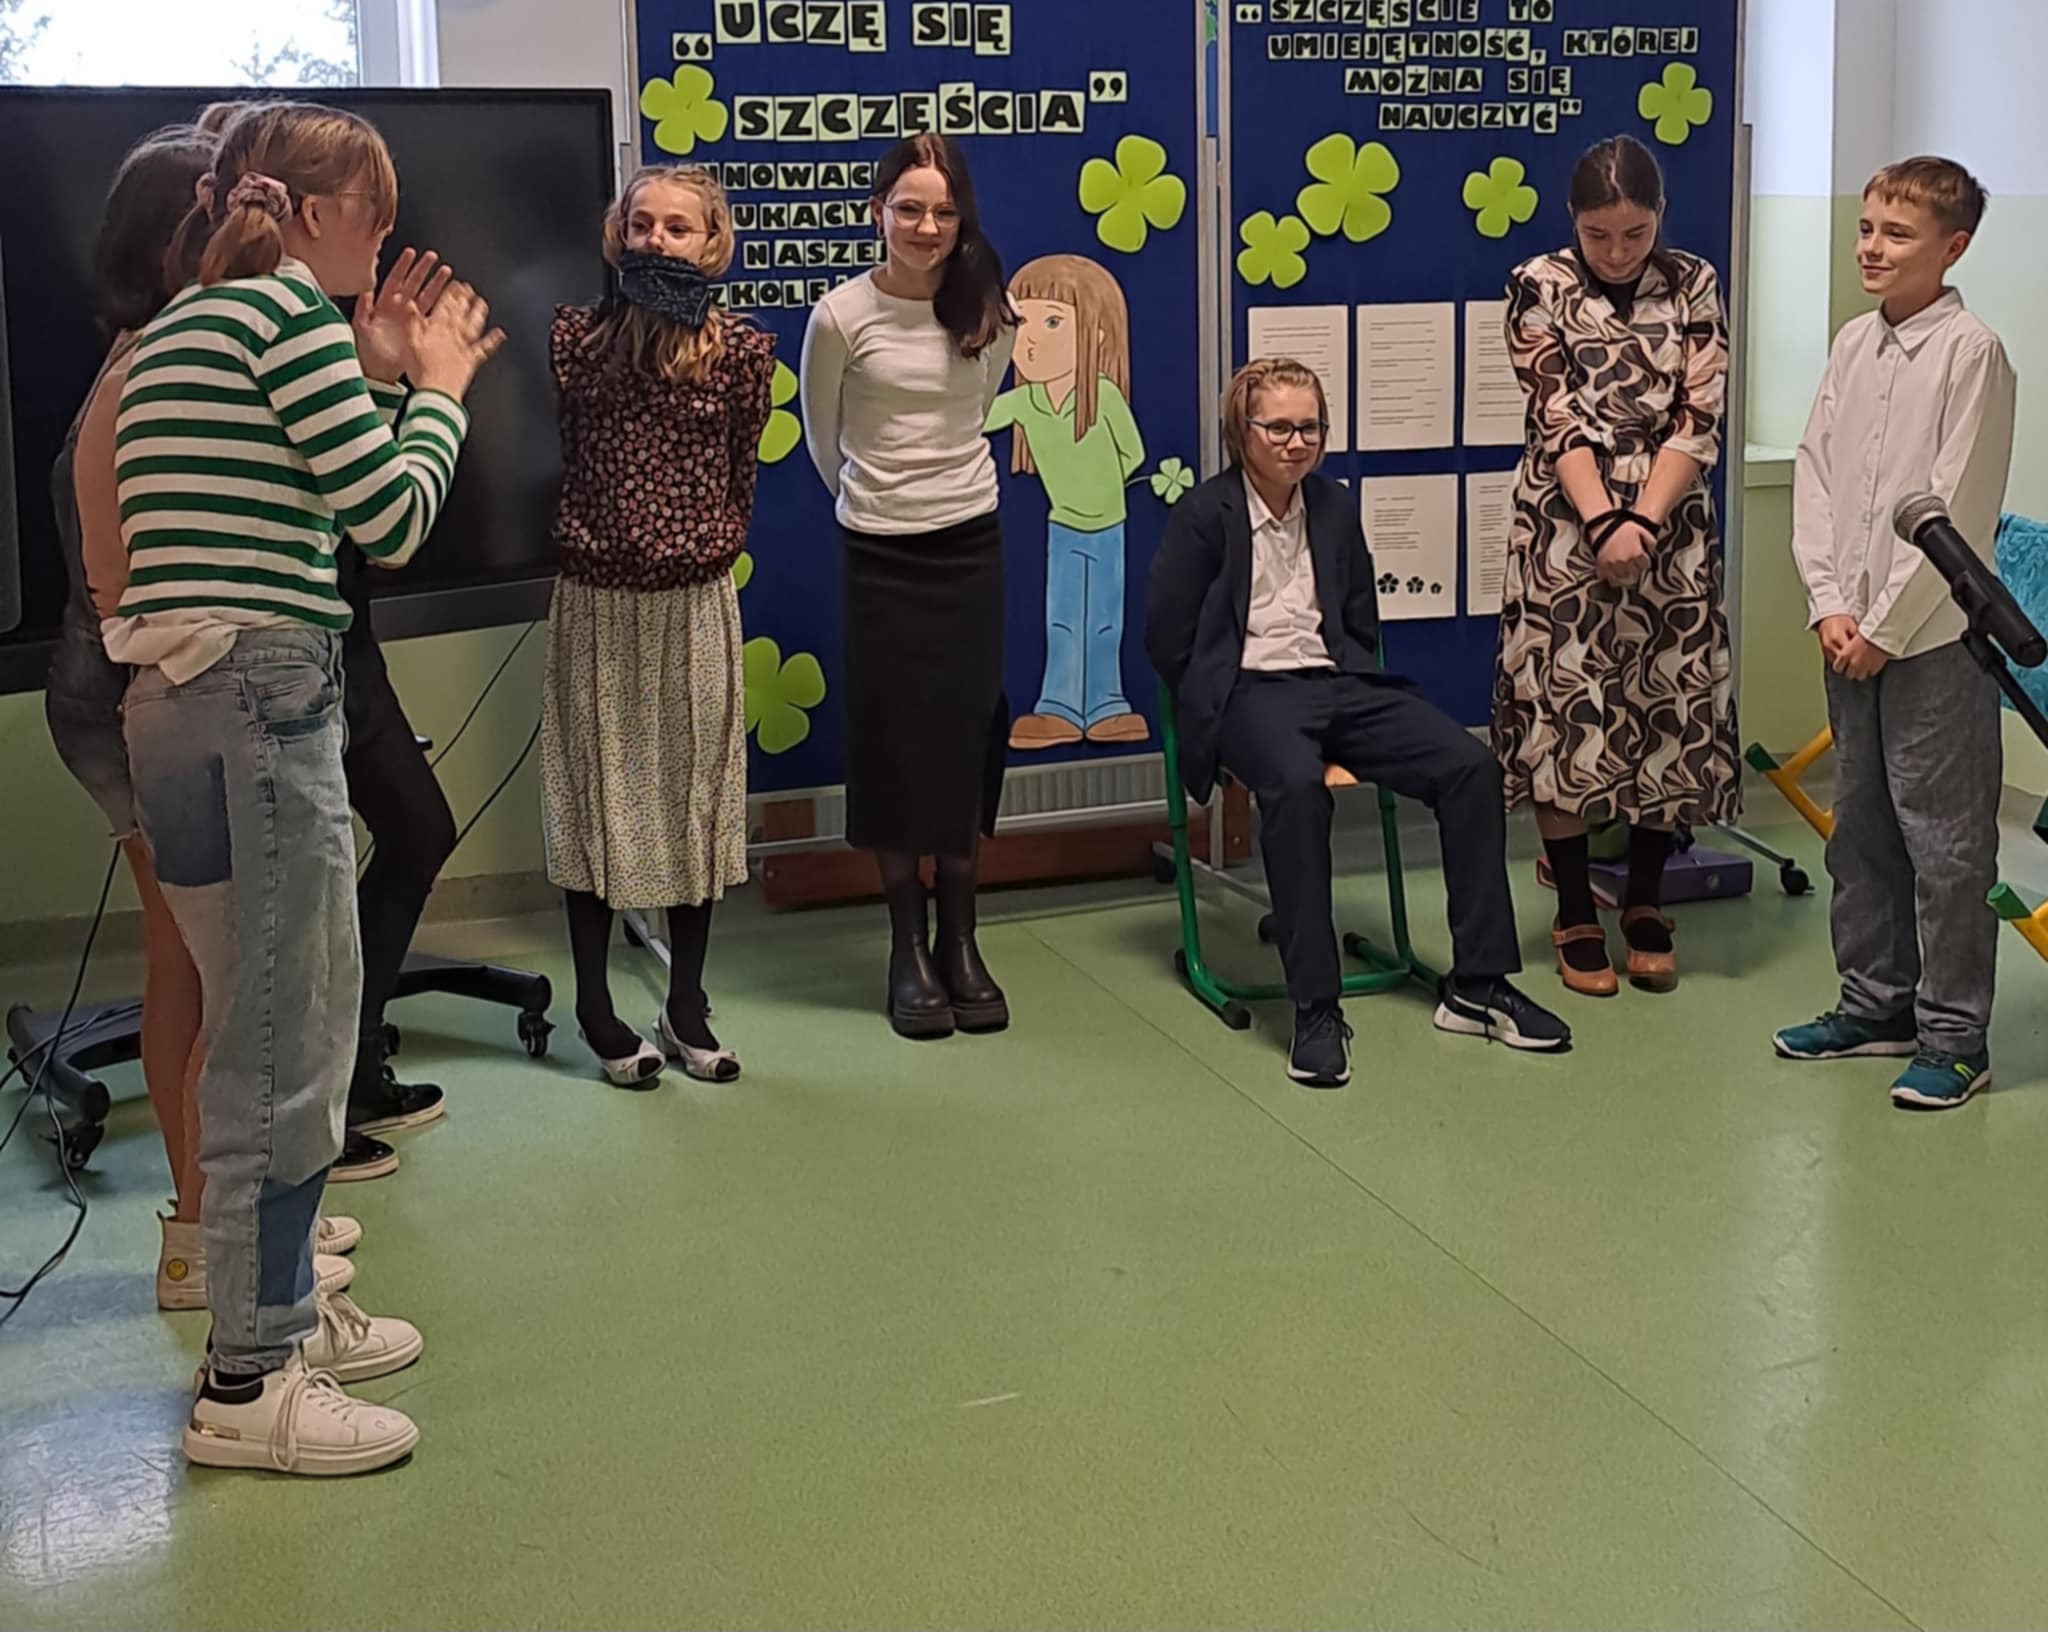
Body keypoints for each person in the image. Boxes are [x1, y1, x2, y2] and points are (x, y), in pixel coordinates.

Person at [109, 100, 501, 1474]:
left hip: (171, 705)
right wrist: (438, 389)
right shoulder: (285, 316)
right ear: (323, 216)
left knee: (250, 1029)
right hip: (265, 693)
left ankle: (276, 1311)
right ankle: (251, 1375)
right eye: (377, 227)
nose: (381, 253)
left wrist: (377, 381)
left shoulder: (179, 328)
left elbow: (306, 492)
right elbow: (387, 521)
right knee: (290, 1046)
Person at [46, 123, 361, 1307]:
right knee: (208, 972)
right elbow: (121, 587)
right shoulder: (161, 363)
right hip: (143, 684)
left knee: (220, 970)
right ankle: (203, 1236)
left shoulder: (171, 348)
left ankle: (231, 1224)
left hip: (153, 681)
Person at [1146, 357, 1571, 1086]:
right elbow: (1167, 635)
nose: (1296, 442)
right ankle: (1315, 1005)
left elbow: (1358, 616)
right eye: (1278, 427)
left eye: (1309, 427)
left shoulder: (1334, 506)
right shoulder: (1204, 516)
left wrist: (1346, 672)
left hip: (1338, 681)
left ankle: (1478, 985)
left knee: (1469, 767)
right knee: (1294, 786)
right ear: (1242, 431)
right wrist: (1214, 697)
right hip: (1250, 691)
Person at [1775, 157, 2016, 1111]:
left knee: (1945, 844)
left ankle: (1955, 1035)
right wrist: (1828, 602)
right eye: (1867, 228)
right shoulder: (1853, 344)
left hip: (1932, 643)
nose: (1872, 247)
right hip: (1848, 634)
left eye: (1897, 233)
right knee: (1861, 831)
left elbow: (1955, 507)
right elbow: (1815, 474)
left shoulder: (1973, 354)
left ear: (1953, 247)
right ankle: (1875, 1005)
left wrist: (1880, 625)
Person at [542, 164, 775, 1086]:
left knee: (693, 801)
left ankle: (686, 1006)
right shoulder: (575, 342)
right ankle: (594, 1008)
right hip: (596, 601)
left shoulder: (742, 355)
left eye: (679, 228)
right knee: (595, 796)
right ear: (619, 234)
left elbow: (740, 473)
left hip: (694, 603)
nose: (657, 241)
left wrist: (692, 545)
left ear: (712, 242)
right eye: (642, 225)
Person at [1493, 134, 1739, 999]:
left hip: (1671, 522)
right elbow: (1554, 415)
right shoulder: (1539, 284)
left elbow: (1698, 415)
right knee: (1566, 706)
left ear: (1659, 217)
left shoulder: (1693, 282)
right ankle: (1573, 908)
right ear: (1573, 221)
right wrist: (1604, 521)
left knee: (1664, 701)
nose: (1618, 251)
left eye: (1635, 233)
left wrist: (1646, 519)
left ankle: (1643, 899)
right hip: (1567, 523)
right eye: (1599, 235)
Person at [799, 133, 1018, 1040]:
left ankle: (961, 937)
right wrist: (878, 499)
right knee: (891, 745)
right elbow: (823, 439)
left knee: (964, 738)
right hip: (880, 556)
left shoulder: (990, 309)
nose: (927, 227)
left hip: (970, 546)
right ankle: (907, 946)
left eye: (944, 211)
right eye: (909, 208)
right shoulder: (840, 317)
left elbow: (979, 413)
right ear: (878, 212)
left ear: (961, 219)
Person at [987, 253, 1149, 749]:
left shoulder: (1103, 395)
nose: (1031, 338)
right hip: (1063, 526)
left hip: (1108, 524)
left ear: (1095, 335)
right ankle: (1057, 707)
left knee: (1103, 619)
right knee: (1061, 619)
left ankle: (1106, 704)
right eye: (1022, 322)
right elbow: (973, 417)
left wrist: (1099, 485)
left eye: (1053, 322)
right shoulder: (1025, 401)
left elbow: (1134, 453)